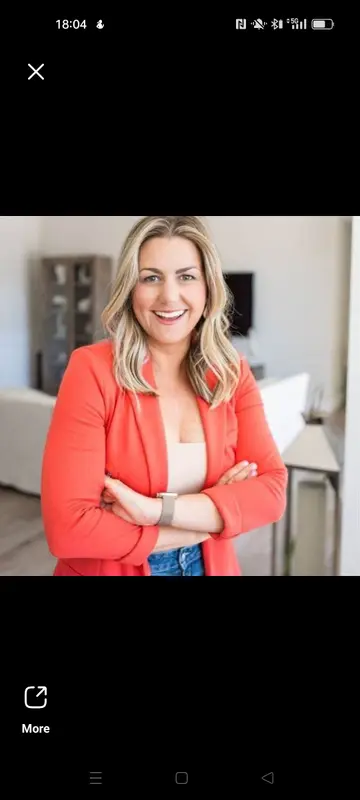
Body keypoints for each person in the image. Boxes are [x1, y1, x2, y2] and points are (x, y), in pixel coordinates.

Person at [41, 215, 288, 576]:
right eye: (151, 277)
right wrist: (212, 515)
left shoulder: (232, 373)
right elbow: (69, 529)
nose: (169, 296)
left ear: (208, 289)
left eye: (186, 276)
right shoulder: (92, 371)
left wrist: (153, 510)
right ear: (131, 288)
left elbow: (271, 494)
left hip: (211, 566)